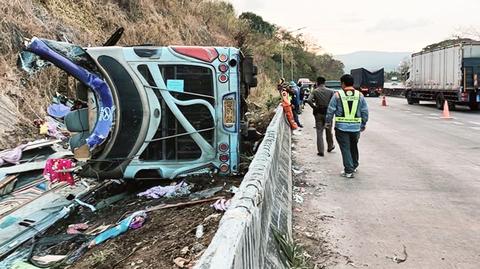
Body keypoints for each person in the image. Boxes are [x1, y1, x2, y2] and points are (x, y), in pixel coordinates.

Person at [326, 74, 369, 178]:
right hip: (355, 127)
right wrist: (363, 123)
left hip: (341, 127)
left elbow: (331, 110)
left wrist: (328, 122)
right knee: (353, 146)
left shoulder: (337, 95)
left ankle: (349, 171)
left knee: (345, 148)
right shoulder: (360, 95)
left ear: (343, 83)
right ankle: (354, 165)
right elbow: (365, 111)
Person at [306, 76, 335, 156]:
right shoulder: (331, 91)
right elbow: (334, 103)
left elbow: (308, 100)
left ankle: (321, 151)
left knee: (319, 132)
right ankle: (330, 146)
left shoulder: (315, 91)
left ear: (317, 82)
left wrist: (314, 107)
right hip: (328, 113)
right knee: (328, 131)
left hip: (318, 113)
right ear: (324, 82)